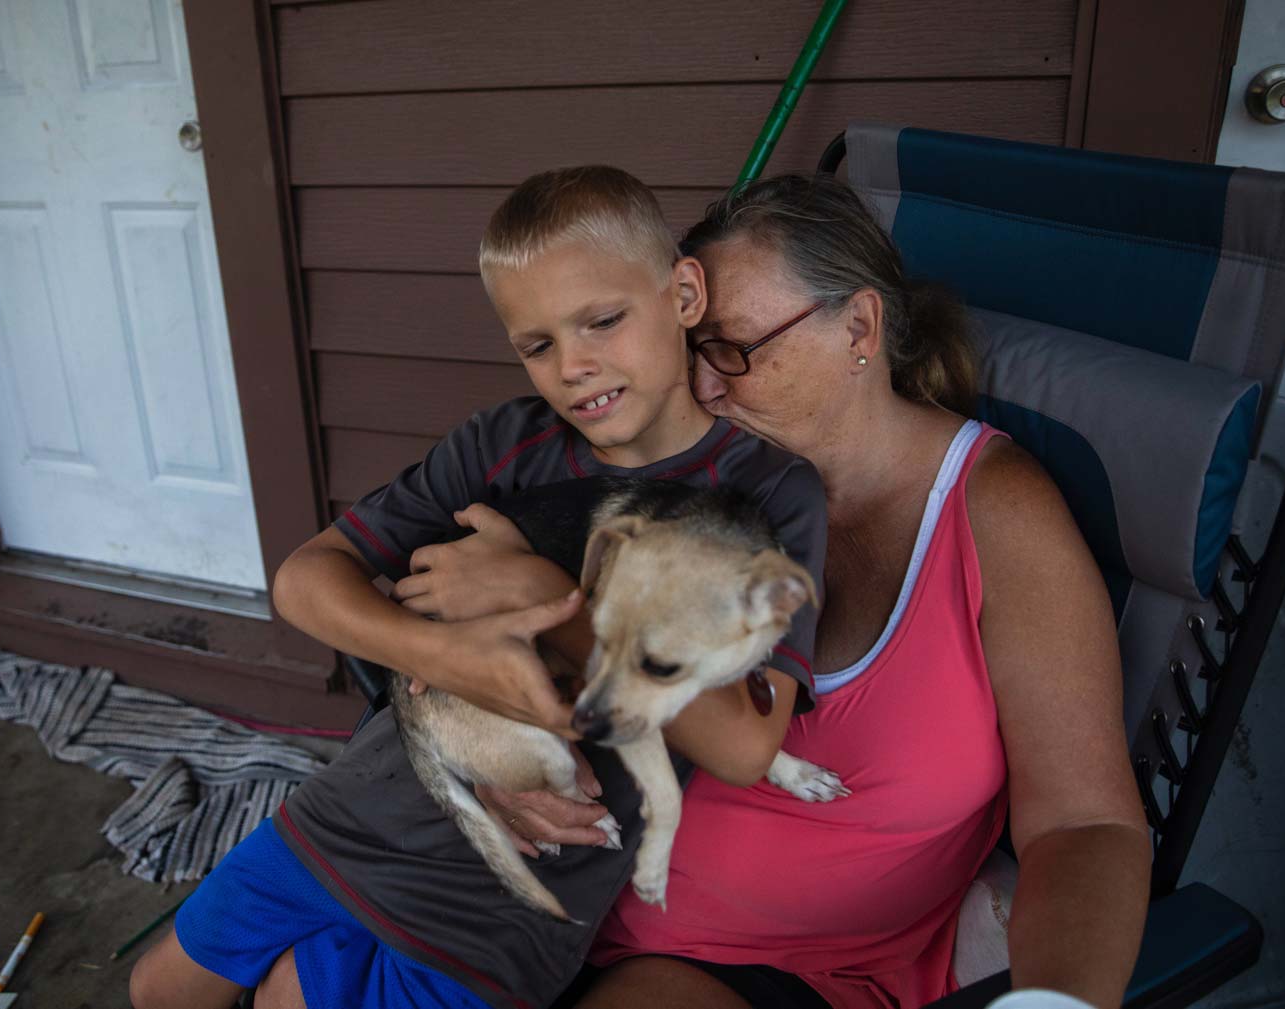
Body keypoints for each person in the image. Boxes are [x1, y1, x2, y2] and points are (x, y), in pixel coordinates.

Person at [431, 175, 1150, 1009]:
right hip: (535, 900)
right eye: (690, 349)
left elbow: (1082, 823)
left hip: (749, 971)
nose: (701, 388)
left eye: (733, 348)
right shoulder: (681, 475)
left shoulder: (994, 517)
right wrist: (487, 770)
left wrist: (1056, 1002)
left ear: (859, 326)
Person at [128, 165, 829, 1009]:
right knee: (160, 987)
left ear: (683, 294)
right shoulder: (503, 443)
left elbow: (747, 747)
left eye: (602, 320)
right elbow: (305, 581)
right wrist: (447, 654)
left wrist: (540, 591)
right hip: (371, 802)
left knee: (294, 997)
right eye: (537, 345)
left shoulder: (763, 494)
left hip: (515, 887)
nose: (573, 366)